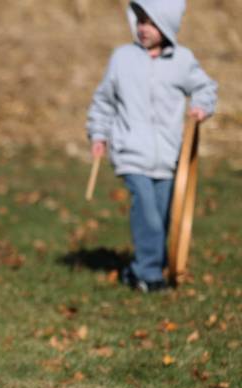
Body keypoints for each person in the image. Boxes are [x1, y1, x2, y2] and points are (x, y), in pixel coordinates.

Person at [87, 0, 217, 292]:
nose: (143, 29)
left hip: (170, 157)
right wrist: (99, 135)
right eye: (141, 21)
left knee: (162, 216)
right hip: (131, 153)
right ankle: (149, 275)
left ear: (167, 26)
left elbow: (205, 88)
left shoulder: (182, 61)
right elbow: (104, 101)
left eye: (152, 23)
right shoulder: (122, 59)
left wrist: (200, 107)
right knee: (147, 213)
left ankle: (140, 270)